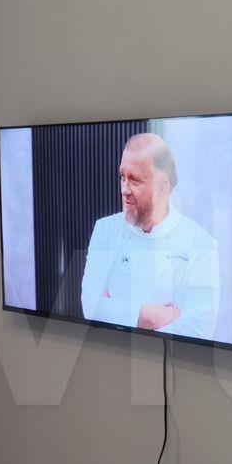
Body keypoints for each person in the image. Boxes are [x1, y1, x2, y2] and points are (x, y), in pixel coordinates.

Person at [80, 133, 219, 338]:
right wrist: (156, 316)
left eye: (134, 180)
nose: (124, 189)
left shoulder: (202, 244)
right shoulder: (105, 230)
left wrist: (115, 310)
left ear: (162, 188)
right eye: (122, 177)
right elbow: (91, 307)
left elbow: (199, 329)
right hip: (110, 351)